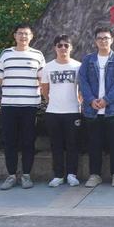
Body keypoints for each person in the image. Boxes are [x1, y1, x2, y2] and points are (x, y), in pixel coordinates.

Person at [0, 23, 46, 190]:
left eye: (26, 34)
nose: (23, 36)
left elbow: (42, 79)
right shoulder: (6, 54)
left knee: (28, 141)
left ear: (31, 37)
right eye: (20, 33)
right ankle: (11, 175)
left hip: (30, 106)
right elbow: (0, 78)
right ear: (14, 36)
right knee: (10, 141)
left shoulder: (38, 55)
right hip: (9, 105)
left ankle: (26, 175)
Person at [78, 27, 114, 188]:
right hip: (92, 110)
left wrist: (106, 100)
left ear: (112, 40)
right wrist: (91, 100)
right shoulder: (88, 60)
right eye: (99, 38)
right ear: (95, 41)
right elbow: (83, 81)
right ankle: (95, 175)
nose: (103, 41)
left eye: (106, 38)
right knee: (94, 144)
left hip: (113, 110)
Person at [40, 34, 81, 187]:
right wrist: (51, 101)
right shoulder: (48, 67)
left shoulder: (78, 66)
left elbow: (82, 89)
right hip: (53, 112)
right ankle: (58, 175)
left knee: (72, 145)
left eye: (66, 45)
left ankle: (72, 174)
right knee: (56, 145)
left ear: (71, 48)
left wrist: (79, 102)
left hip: (73, 111)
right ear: (55, 48)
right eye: (59, 45)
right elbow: (45, 89)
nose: (63, 48)